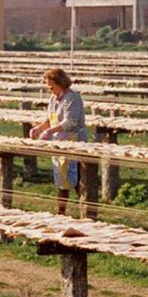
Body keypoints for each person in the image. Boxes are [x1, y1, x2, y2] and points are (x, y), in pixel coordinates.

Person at [29, 68, 88, 215]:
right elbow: (51, 119)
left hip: (73, 141)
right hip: (59, 142)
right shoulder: (53, 98)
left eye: (51, 86)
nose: (50, 90)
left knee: (77, 178)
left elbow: (70, 122)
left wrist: (49, 131)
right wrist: (39, 128)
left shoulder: (72, 98)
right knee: (62, 180)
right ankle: (61, 213)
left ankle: (86, 210)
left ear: (59, 83)